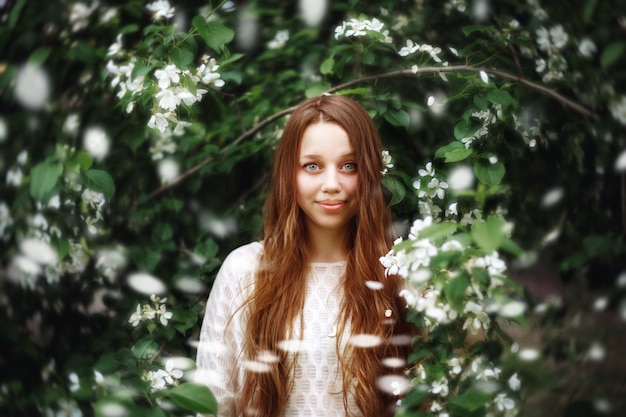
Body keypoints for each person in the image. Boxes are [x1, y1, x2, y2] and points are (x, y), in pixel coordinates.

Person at [195, 94, 411, 417]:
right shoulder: (245, 271)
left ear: (368, 173)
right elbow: (213, 404)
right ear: (289, 174)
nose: (331, 184)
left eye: (348, 166)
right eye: (312, 166)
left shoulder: (400, 271)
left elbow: (431, 395)